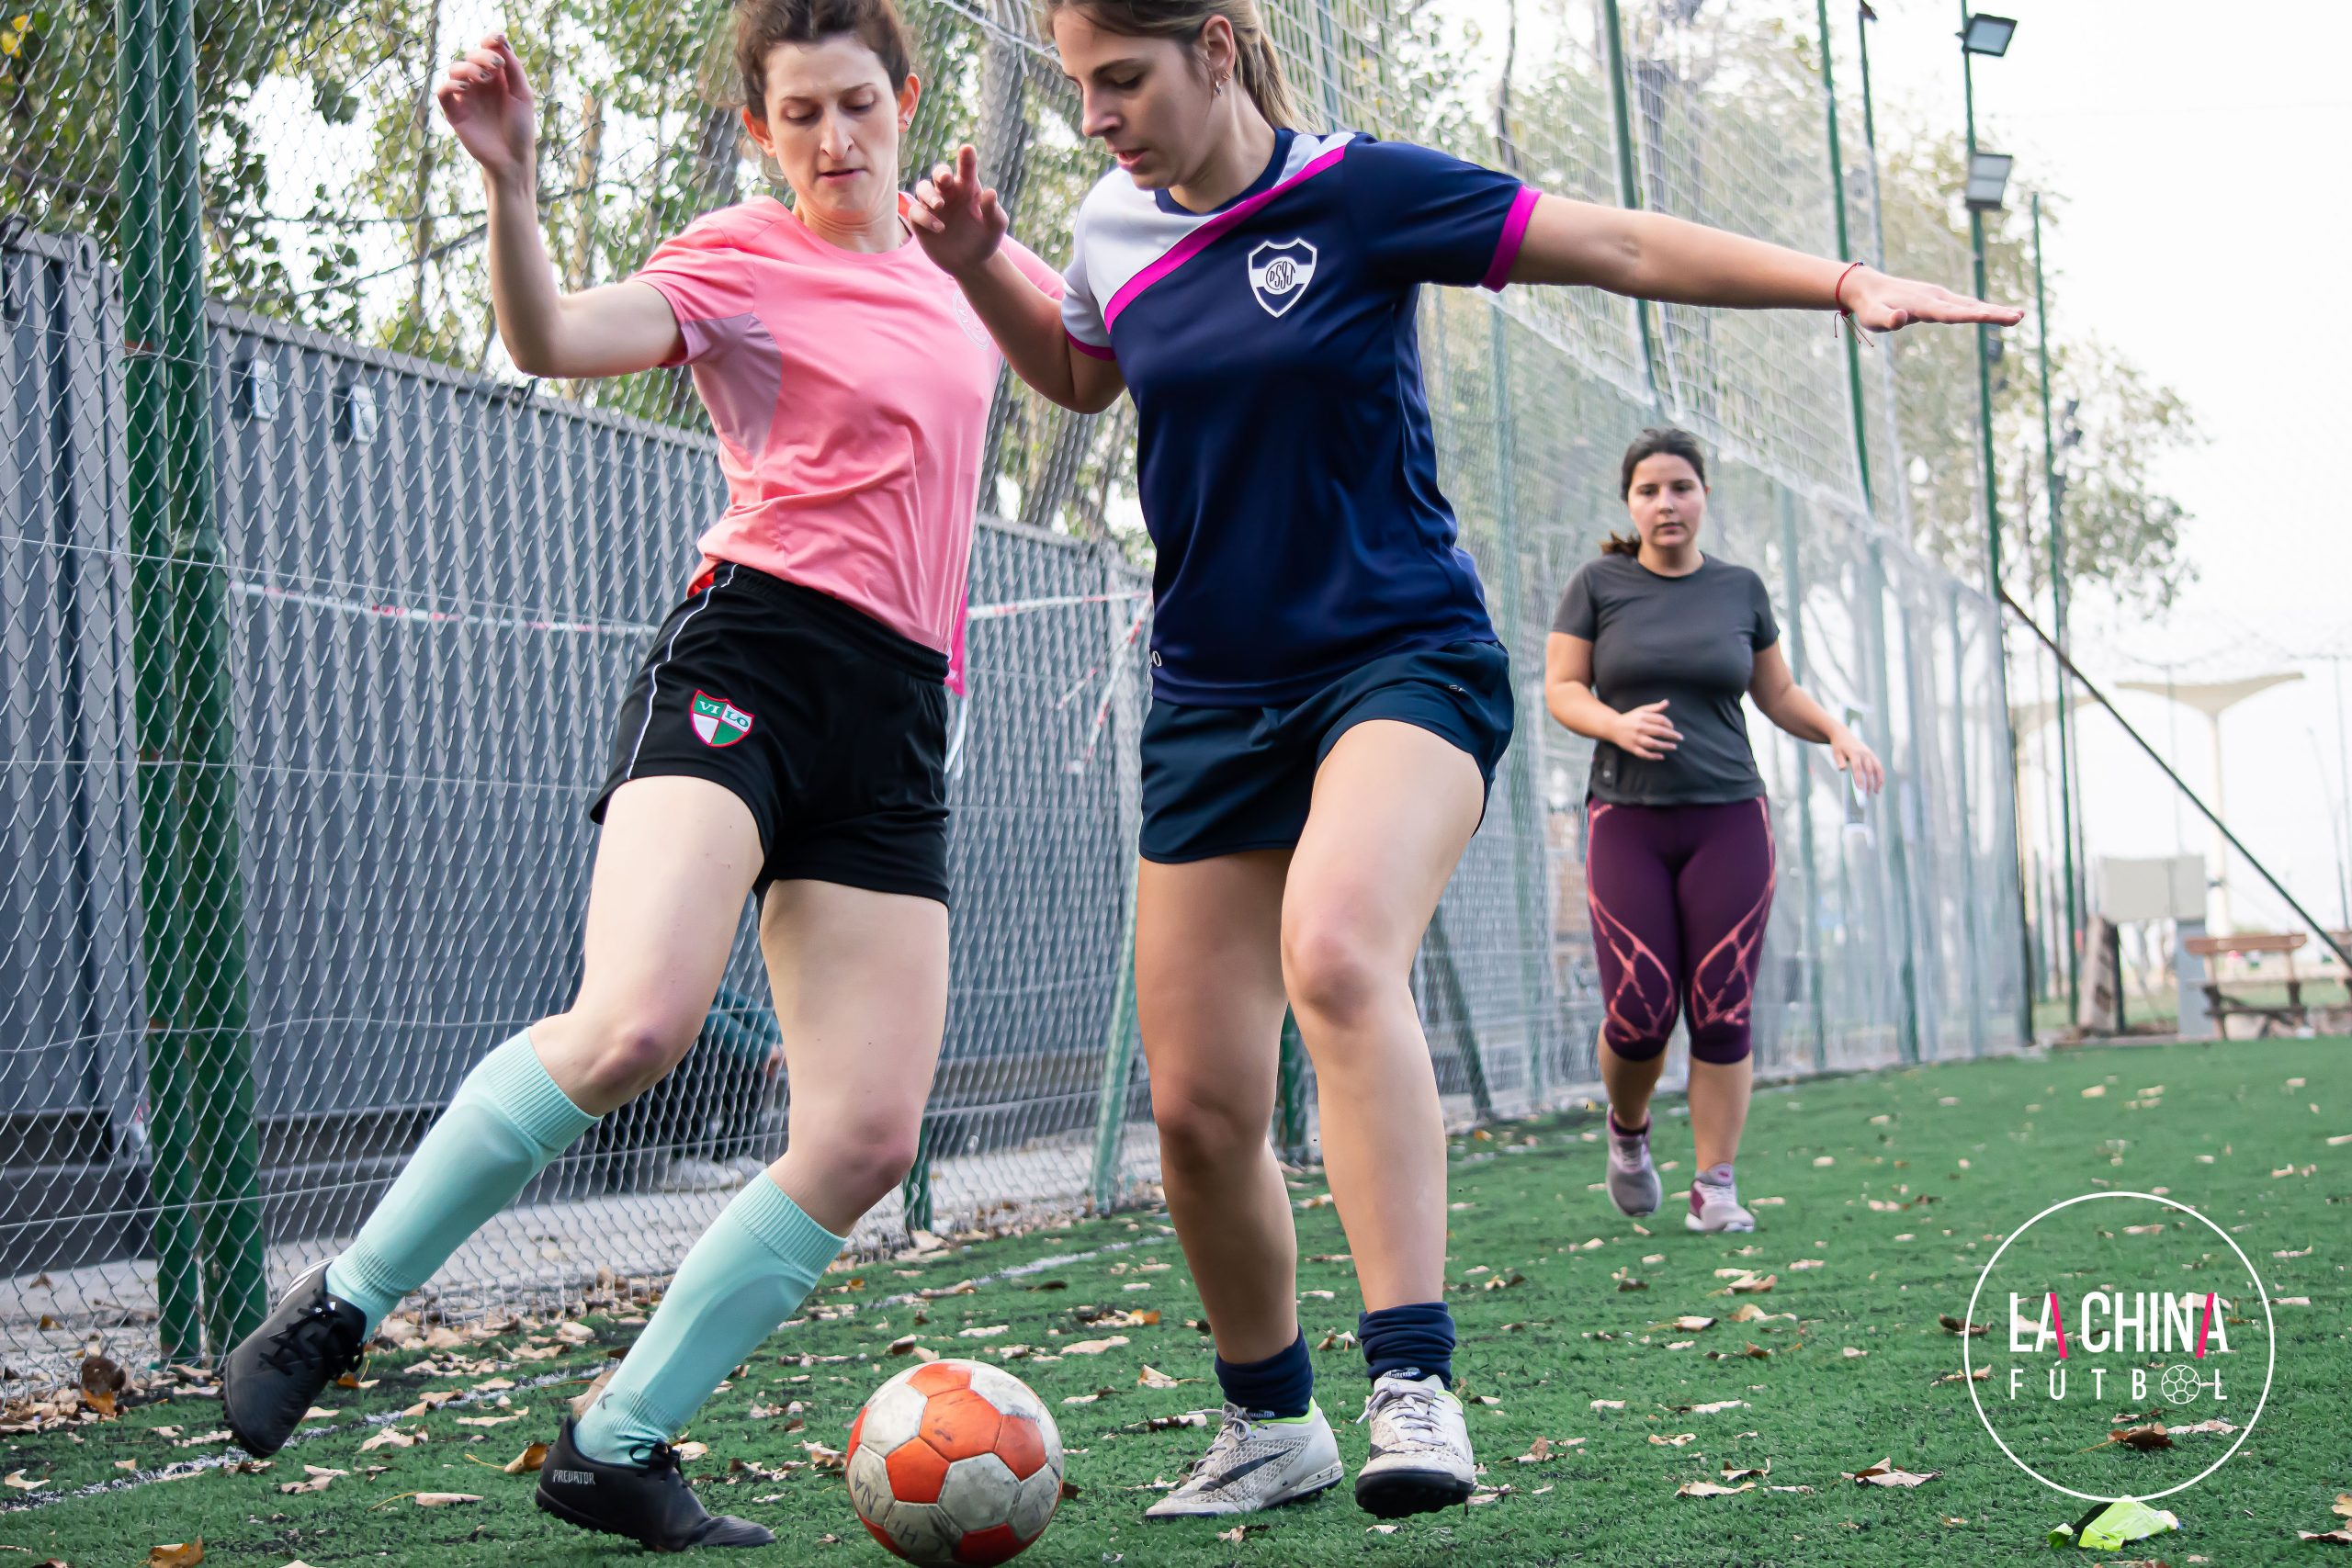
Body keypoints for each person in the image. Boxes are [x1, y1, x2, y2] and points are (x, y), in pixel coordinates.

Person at [905, 0, 2010, 1521]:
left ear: (1215, 51)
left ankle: (1411, 1378)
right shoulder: (1105, 221)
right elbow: (1089, 376)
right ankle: (1269, 1419)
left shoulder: (1359, 193)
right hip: (1211, 697)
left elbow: (1616, 247)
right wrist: (979, 265)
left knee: (1341, 953)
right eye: (1078, 86)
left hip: (1399, 659)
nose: (1095, 116)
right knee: (1200, 1108)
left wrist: (1838, 281)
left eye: (1122, 79)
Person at [217, 0, 1063, 1550]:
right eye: (800, 114)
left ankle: (618, 1441)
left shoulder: (966, 272)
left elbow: (1094, 366)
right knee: (638, 1021)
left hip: (898, 715)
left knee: (868, 1134)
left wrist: (1008, 255)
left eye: (859, 105)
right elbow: (552, 342)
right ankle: (336, 1310)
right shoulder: (740, 254)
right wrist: (511, 185)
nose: (835, 141)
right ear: (760, 127)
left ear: (908, 99)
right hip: (750, 660)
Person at [1547, 427, 1884, 1235]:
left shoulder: (1740, 588)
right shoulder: (1598, 583)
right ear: (1630, 503)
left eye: (1681, 487)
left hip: (1731, 817)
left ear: (1703, 497)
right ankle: (1628, 1135)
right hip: (1625, 819)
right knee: (1640, 1007)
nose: (1666, 502)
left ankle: (1715, 1185)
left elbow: (1777, 692)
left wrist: (1835, 731)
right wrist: (1616, 725)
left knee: (1724, 1005)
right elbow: (1562, 687)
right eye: (1649, 490)